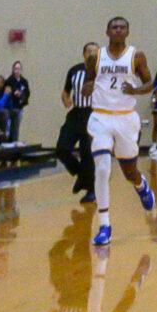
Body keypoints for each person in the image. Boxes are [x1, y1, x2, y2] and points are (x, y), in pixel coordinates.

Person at [89, 17, 157, 250]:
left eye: (122, 27)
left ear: (127, 31)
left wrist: (136, 90)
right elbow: (89, 80)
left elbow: (150, 83)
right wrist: (87, 87)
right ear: (107, 31)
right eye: (114, 27)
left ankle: (141, 186)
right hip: (100, 116)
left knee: (129, 171)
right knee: (102, 168)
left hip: (126, 117)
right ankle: (105, 225)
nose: (118, 30)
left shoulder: (136, 56)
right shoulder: (95, 56)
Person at [56, 47, 98, 200]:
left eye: (95, 51)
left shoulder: (103, 71)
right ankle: (81, 175)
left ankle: (91, 190)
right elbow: (66, 91)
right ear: (84, 54)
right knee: (62, 148)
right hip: (76, 113)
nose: (92, 54)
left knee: (87, 152)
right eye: (89, 51)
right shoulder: (74, 70)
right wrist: (66, 100)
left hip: (93, 113)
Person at [0, 62, 30, 145]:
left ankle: (14, 141)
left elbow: (27, 93)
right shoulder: (9, 81)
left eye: (19, 69)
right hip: (11, 107)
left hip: (20, 107)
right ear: (13, 69)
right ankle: (6, 142)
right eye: (15, 68)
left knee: (16, 126)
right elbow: (6, 92)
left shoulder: (24, 81)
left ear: (21, 70)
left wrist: (22, 95)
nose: (17, 71)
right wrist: (14, 93)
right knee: (8, 126)